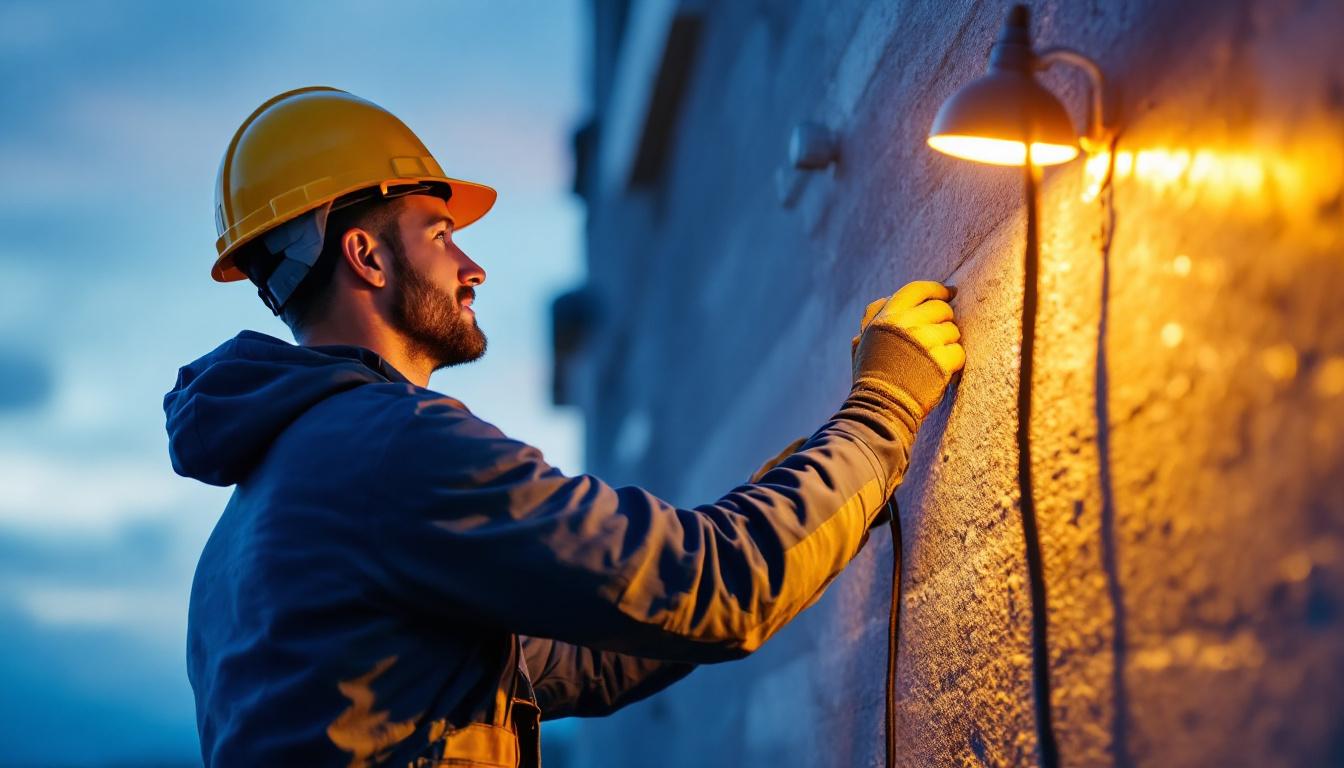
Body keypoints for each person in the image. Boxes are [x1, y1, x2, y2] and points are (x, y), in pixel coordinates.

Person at [164, 87, 965, 767]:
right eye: (440, 235)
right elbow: (708, 590)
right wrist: (884, 409)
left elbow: (571, 655)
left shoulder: (244, 539)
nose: (471, 266)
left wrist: (816, 497)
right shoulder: (392, 448)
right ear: (367, 257)